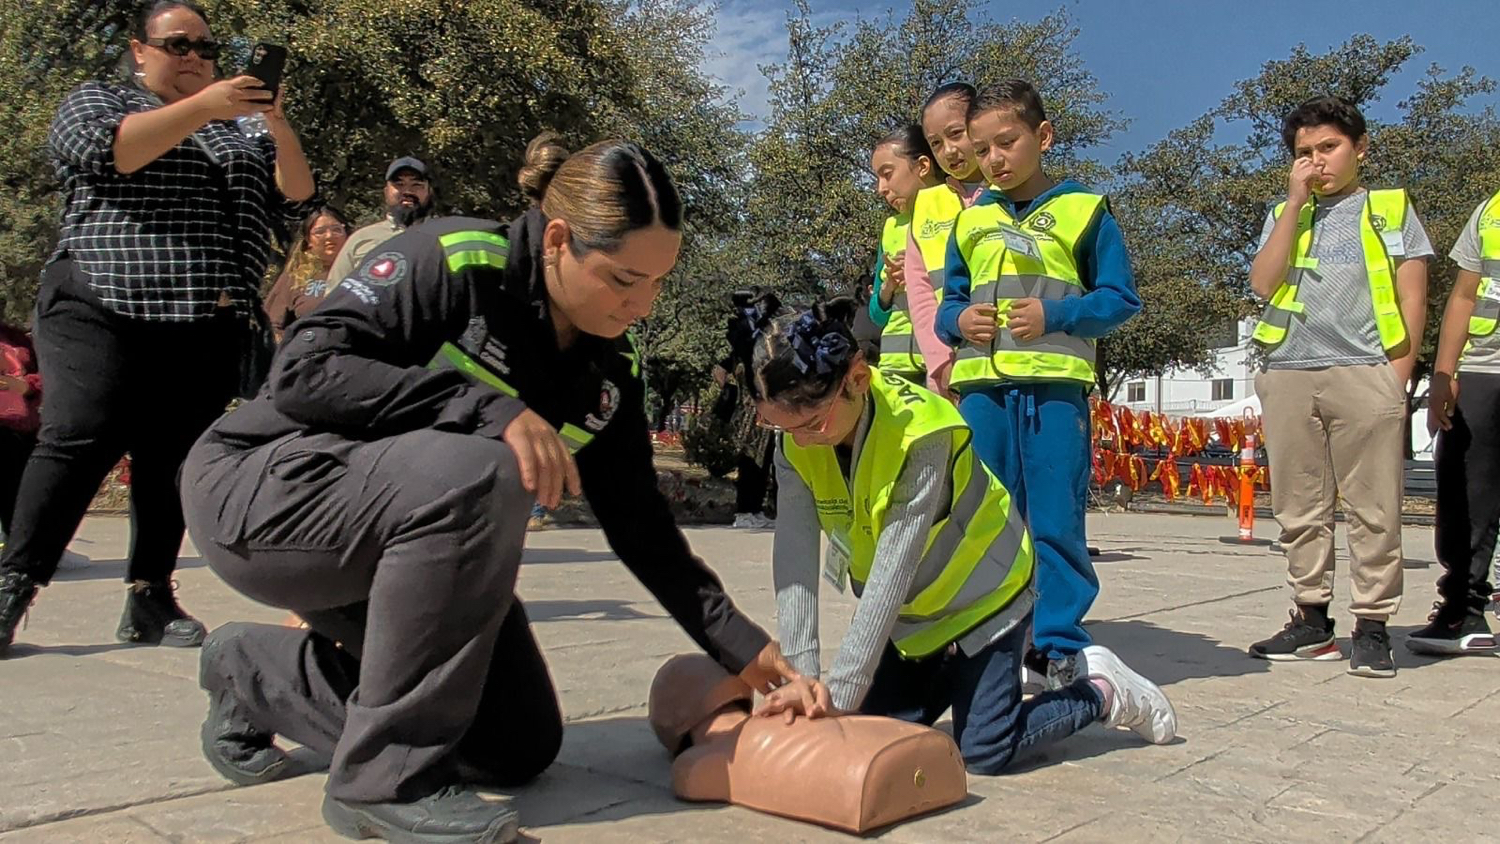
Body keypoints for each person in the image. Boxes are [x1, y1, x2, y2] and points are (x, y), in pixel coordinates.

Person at [182, 133, 821, 843]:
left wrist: (748, 653)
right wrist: (491, 409)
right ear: (558, 240)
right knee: (485, 467)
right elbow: (303, 370)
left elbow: (640, 525)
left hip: (404, 543)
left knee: (514, 743)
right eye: (622, 279)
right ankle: (382, 781)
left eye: (657, 283)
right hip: (264, 493)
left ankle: (253, 673)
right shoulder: (454, 261)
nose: (641, 304)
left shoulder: (610, 369)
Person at [0, 0, 317, 657]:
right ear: (140, 51)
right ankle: (14, 584)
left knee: (172, 455)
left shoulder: (240, 130)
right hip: (101, 300)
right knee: (80, 434)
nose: (195, 57)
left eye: (206, 47)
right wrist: (204, 107)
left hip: (204, 316)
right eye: (178, 44)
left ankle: (150, 596)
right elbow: (112, 153)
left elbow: (296, 195)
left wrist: (275, 120)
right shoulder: (100, 100)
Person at [752, 300, 1175, 776]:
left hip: (983, 597)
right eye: (779, 425)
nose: (799, 440)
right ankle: (959, 674)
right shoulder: (794, 439)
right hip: (918, 613)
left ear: (857, 379)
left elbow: (891, 574)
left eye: (813, 424)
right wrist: (803, 683)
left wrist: (840, 697)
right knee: (870, 731)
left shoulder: (921, 434)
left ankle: (1100, 691)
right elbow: (795, 562)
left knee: (985, 750)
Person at [935, 80, 1141, 688]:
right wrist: (958, 322)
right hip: (983, 394)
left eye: (1007, 142)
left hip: (1054, 394)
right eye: (981, 149)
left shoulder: (1086, 211)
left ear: (1043, 136)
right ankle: (981, 635)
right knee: (980, 518)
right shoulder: (970, 222)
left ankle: (1056, 643)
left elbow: (1119, 298)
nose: (993, 159)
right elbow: (948, 304)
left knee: (1055, 519)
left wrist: (1057, 315)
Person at [1246, 96, 1431, 678]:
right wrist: (1293, 205)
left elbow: (1413, 295)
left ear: (1360, 148)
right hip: (1289, 370)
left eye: (1329, 147)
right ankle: (1311, 620)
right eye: (1305, 152)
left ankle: (1372, 627)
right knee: (1299, 505)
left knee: (1374, 507)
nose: (1317, 161)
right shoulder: (1286, 212)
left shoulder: (1389, 209)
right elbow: (1262, 283)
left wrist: (1397, 376)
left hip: (1365, 370)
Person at [648, 653, 968, 834]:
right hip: (911, 756)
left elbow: (687, 778)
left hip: (867, 778)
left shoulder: (699, 765)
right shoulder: (784, 710)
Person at [1408, 189, 1500, 656]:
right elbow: (1464, 295)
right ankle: (1463, 611)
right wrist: (1444, 374)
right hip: (1484, 368)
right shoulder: (1490, 211)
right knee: (1465, 490)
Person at [904, 83, 990, 396]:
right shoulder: (925, 206)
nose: (949, 151)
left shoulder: (1016, 191)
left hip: (1014, 360)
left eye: (956, 134)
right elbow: (920, 294)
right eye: (936, 143)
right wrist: (940, 362)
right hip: (949, 374)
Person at [867, 125, 943, 384]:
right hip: (894, 371)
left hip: (942, 367)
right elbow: (876, 315)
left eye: (887, 174)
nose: (881, 188)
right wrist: (888, 287)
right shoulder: (890, 228)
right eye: (878, 178)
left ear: (923, 166)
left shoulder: (959, 214)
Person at [717, 287, 781, 529]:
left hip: (753, 407)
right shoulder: (749, 336)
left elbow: (721, 370)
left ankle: (752, 509)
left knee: (759, 460)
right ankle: (746, 511)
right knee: (752, 460)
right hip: (754, 408)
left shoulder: (748, 336)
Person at [324, 156, 435, 285]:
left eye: (416, 185)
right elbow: (335, 292)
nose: (407, 191)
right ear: (386, 192)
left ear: (429, 192)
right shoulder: (361, 239)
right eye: (399, 184)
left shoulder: (442, 236)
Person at [263, 206, 352, 336]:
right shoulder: (295, 276)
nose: (329, 236)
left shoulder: (362, 271)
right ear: (308, 240)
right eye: (320, 232)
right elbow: (271, 324)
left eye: (336, 229)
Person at [0, 317, 42, 543]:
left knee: (18, 498)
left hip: (20, 429)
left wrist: (27, 385)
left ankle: (16, 547)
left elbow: (46, 375)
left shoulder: (18, 340)